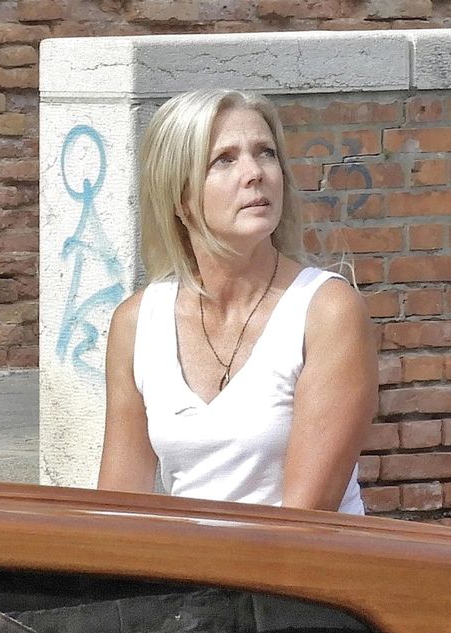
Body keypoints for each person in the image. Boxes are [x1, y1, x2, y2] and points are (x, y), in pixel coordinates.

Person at [97, 89, 377, 513]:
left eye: (265, 153)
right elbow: (117, 509)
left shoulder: (326, 310)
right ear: (179, 195)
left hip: (300, 570)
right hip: (188, 570)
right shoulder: (136, 322)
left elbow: (304, 520)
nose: (254, 173)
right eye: (224, 159)